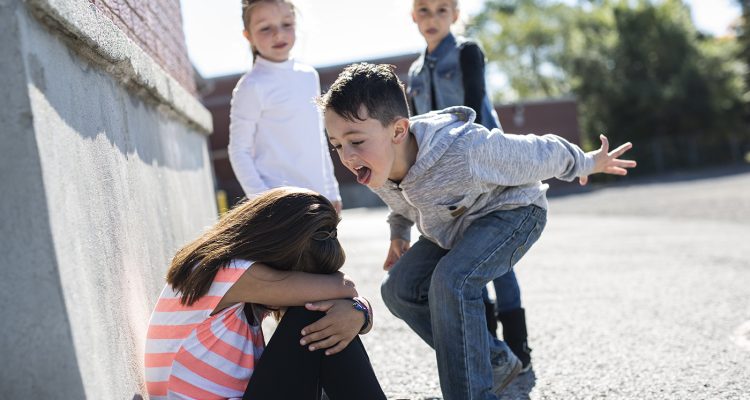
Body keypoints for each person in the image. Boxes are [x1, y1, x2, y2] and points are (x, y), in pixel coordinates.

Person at [319, 63, 636, 399]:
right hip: (454, 227)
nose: (347, 156)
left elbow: (541, 152)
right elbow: (400, 204)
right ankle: (495, 361)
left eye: (355, 141)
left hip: (513, 213)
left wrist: (587, 163)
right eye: (337, 145)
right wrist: (399, 233)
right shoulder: (375, 164)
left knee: (451, 281)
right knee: (398, 289)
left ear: (398, 131)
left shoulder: (464, 150)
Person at [144, 187, 386, 400]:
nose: (302, 282)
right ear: (280, 249)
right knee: (313, 314)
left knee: (325, 316)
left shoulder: (227, 272)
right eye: (302, 275)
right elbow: (345, 288)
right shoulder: (228, 272)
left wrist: (359, 311)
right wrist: (357, 308)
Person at [407, 0, 532, 370]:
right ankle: (490, 345)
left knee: (498, 258)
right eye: (424, 10)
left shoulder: (467, 52)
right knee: (463, 256)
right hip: (442, 179)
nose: (433, 18)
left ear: (456, 15)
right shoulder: (414, 71)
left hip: (484, 166)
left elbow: (475, 105)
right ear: (413, 15)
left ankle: (518, 346)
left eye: (442, 10)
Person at [228, 0, 342, 212]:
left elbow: (318, 138)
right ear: (248, 36)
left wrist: (332, 191)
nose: (278, 34)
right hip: (280, 207)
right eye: (265, 28)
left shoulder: (309, 76)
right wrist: (263, 201)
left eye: (286, 24)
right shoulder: (251, 86)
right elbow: (239, 150)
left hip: (319, 199)